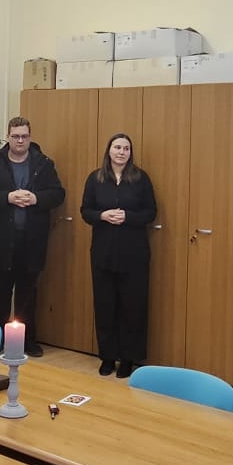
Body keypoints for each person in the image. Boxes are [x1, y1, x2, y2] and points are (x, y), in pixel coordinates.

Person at [0, 116, 64, 356]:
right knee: (0, 294)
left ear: (30, 137)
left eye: (24, 136)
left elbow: (58, 194)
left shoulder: (44, 164)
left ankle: (27, 341)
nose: (20, 141)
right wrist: (7, 198)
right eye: (15, 136)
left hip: (32, 241)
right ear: (8, 137)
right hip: (2, 241)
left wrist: (36, 199)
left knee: (28, 294)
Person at [80, 132, 156, 378]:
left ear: (130, 153)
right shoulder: (95, 178)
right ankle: (107, 357)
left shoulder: (141, 178)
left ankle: (128, 359)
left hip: (134, 254)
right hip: (103, 253)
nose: (121, 152)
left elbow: (151, 212)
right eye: (117, 147)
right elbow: (85, 211)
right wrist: (102, 215)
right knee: (105, 306)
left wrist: (128, 217)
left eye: (126, 148)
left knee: (132, 307)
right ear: (109, 151)